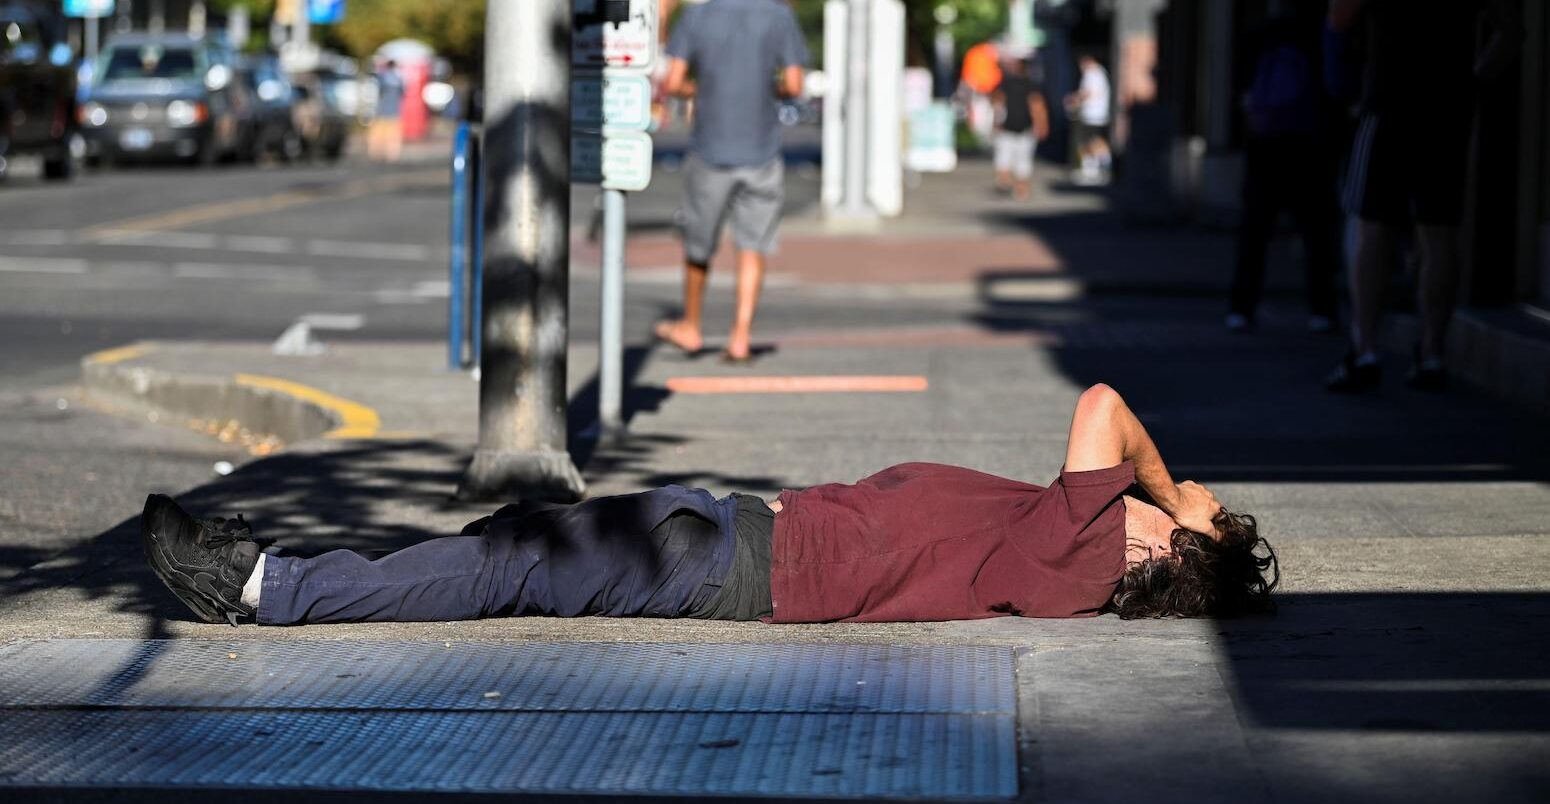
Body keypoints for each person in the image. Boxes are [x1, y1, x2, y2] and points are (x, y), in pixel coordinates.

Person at [141, 384, 1279, 627]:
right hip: (735, 536)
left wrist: (1171, 494)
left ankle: (258, 583)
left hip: (727, 561)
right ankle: (297, 569)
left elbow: (1101, 404)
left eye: (1213, 509)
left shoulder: (1075, 555)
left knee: (508, 571)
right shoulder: (1070, 547)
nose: (1205, 491)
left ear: (1184, 541)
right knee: (508, 544)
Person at [1324, 0, 1513, 392]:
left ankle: (1366, 350)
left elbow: (1339, 17)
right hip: (1447, 108)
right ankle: (1432, 353)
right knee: (1439, 232)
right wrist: (1474, 82)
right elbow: (1511, 30)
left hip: (1389, 103)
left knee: (1373, 229)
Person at [652, 0, 809, 363]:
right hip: (762, 151)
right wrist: (766, 90)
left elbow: (673, 81)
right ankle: (740, 336)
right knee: (753, 245)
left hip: (710, 150)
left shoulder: (696, 16)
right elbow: (794, 83)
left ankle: (691, 326)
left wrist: (702, 89)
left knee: (698, 244)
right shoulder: (778, 15)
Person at [1227, 15, 1341, 334]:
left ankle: (1241, 308)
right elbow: (1335, 88)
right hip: (1310, 148)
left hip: (1264, 147)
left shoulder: (1257, 35)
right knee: (1316, 233)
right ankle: (1322, 310)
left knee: (1254, 232)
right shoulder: (1318, 32)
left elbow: (1240, 92)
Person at [991, 55, 1050, 201]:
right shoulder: (1032, 85)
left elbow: (998, 103)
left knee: (1005, 158)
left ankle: (1008, 182)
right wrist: (1042, 125)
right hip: (1024, 127)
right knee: (1022, 160)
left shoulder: (1005, 83)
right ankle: (1021, 189)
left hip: (1009, 127)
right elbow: (1037, 106)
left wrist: (996, 121)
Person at [1065, 53, 1111, 185]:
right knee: (1096, 140)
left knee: (1086, 142)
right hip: (1100, 114)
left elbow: (1087, 92)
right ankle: (1098, 168)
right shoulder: (1101, 72)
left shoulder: (1091, 73)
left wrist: (1073, 99)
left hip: (1091, 114)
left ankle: (1090, 170)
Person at [367, 59, 403, 163]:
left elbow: (377, 92)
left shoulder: (382, 77)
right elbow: (402, 92)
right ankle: (393, 156)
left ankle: (375, 154)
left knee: (377, 135)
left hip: (381, 111)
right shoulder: (398, 79)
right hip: (395, 111)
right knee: (393, 137)